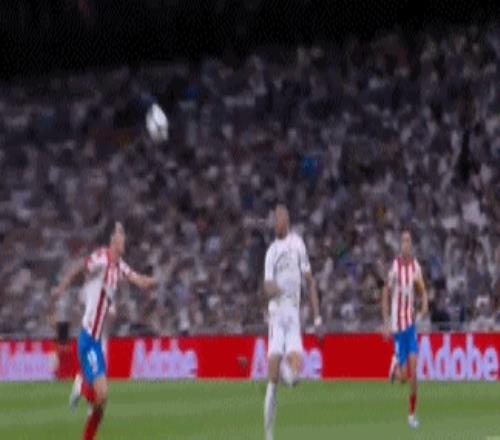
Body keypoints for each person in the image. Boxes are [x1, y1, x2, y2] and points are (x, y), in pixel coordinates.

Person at [52, 222, 156, 440]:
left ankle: (84, 408)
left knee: (101, 403)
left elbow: (138, 279)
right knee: (102, 394)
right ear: (113, 241)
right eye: (121, 237)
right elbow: (80, 268)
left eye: (123, 237)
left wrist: (152, 281)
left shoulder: (120, 266)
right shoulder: (101, 257)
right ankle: (82, 386)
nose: (124, 241)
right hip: (88, 339)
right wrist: (62, 286)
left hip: (96, 341)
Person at [263, 204, 322, 440]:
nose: (275, 223)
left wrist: (317, 318)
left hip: (294, 315)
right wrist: (277, 290)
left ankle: (286, 371)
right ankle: (268, 434)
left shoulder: (298, 244)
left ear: (286, 220)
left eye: (278, 219)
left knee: (295, 374)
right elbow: (267, 285)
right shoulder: (271, 252)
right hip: (277, 315)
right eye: (273, 220)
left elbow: (310, 281)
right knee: (272, 381)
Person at [382, 230, 428, 429]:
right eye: (403, 241)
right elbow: (386, 292)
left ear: (412, 244)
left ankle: (411, 414)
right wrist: (386, 321)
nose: (406, 244)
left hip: (410, 326)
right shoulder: (395, 267)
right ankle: (395, 366)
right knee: (402, 378)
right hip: (398, 327)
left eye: (408, 241)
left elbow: (422, 289)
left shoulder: (416, 267)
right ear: (400, 244)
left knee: (414, 373)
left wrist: (424, 304)